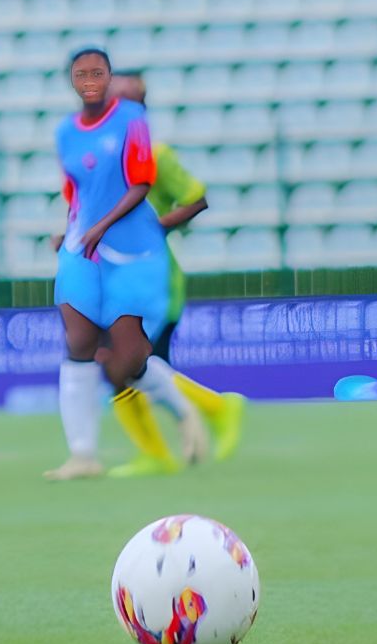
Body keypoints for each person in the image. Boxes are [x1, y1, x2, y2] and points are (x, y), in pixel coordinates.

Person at [46, 48, 201, 481]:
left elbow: (161, 188)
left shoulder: (140, 130)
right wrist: (73, 235)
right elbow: (77, 194)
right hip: (89, 251)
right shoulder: (68, 133)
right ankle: (85, 455)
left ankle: (181, 415)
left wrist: (126, 228)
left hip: (137, 258)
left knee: (124, 360)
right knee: (83, 347)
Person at [110, 69, 245, 462]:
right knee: (128, 367)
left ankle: (170, 445)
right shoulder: (98, 160)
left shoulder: (154, 155)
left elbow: (196, 199)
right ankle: (200, 423)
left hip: (152, 279)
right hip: (110, 277)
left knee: (130, 365)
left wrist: (152, 228)